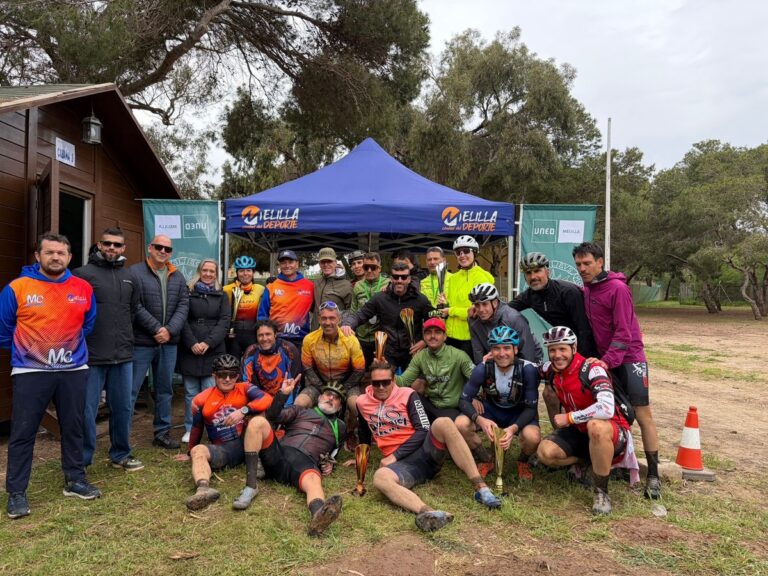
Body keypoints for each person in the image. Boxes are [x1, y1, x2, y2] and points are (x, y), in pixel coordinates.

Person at [1, 232, 100, 519]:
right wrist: (30, 352)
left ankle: (75, 480)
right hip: (31, 371)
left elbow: (88, 325)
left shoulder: (83, 288)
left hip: (73, 370)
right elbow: (4, 330)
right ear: (38, 256)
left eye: (61, 253)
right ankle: (17, 493)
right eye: (49, 252)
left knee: (74, 426)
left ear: (70, 257)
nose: (55, 257)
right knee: (23, 432)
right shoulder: (18, 288)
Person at [357, 360, 501, 532]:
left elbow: (423, 429)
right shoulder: (361, 402)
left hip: (426, 453)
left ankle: (482, 489)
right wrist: (360, 459)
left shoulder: (408, 394)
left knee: (444, 423)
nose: (381, 387)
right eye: (376, 383)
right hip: (404, 467)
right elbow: (364, 431)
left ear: (393, 380)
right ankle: (429, 513)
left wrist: (394, 455)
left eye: (385, 382)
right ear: (370, 383)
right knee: (380, 477)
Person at [572, 242, 662, 499]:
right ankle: (621, 465)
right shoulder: (588, 290)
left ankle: (654, 475)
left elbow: (623, 331)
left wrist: (607, 362)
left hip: (629, 359)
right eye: (578, 264)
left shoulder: (618, 289)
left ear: (600, 262)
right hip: (607, 360)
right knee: (618, 415)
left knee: (643, 414)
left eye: (587, 263)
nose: (582, 268)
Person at [231, 377, 345, 536]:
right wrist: (282, 395)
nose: (331, 398)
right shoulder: (300, 411)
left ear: (340, 406)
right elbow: (272, 416)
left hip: (305, 464)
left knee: (313, 481)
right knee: (257, 422)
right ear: (319, 397)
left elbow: (335, 452)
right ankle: (251, 486)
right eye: (327, 394)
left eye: (336, 397)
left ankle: (318, 516)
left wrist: (331, 464)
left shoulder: (340, 426)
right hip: (279, 454)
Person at [536, 326, 632, 515]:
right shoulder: (552, 369)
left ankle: (601, 491)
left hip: (611, 431)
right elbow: (528, 366)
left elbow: (606, 408)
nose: (557, 355)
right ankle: (586, 462)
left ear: (574, 348)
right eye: (552, 350)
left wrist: (570, 417)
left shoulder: (592, 369)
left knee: (595, 425)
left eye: (562, 349)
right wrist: (496, 356)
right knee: (545, 453)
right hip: (580, 431)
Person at [73, 227, 143, 472]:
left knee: (123, 408)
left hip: (123, 355)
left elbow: (132, 310)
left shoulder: (129, 277)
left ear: (124, 248)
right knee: (87, 410)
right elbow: (74, 313)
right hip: (91, 355)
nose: (112, 248)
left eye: (117, 244)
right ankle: (82, 460)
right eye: (107, 243)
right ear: (100, 245)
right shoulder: (82, 275)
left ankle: (121, 454)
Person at [178, 354, 274, 510]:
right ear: (214, 375)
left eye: (232, 375)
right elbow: (196, 428)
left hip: (249, 443)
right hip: (225, 450)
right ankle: (203, 490)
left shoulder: (245, 388)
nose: (227, 379)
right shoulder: (200, 399)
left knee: (260, 414)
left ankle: (259, 462)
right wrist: (190, 452)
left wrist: (243, 410)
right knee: (198, 450)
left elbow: (267, 399)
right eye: (222, 375)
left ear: (237, 376)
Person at [456, 327, 541, 479]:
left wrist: (513, 429)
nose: (502, 353)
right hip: (492, 410)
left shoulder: (527, 369)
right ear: (491, 350)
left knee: (532, 437)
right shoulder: (483, 368)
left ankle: (523, 461)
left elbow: (531, 408)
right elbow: (463, 400)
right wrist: (480, 420)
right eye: (496, 348)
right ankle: (486, 458)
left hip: (518, 412)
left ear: (515, 349)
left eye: (507, 348)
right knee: (461, 423)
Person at [130, 235, 190, 449]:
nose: (163, 251)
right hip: (142, 342)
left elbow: (184, 306)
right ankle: (122, 436)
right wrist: (156, 328)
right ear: (150, 248)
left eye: (167, 248)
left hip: (169, 343)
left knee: (165, 389)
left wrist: (169, 330)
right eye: (159, 247)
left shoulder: (178, 276)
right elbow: (134, 305)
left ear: (171, 252)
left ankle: (162, 433)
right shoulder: (135, 273)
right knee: (132, 389)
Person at [342, 262, 432, 373]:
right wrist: (347, 324)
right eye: (395, 277)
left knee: (416, 385)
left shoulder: (420, 300)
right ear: (391, 278)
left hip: (413, 349)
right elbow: (361, 314)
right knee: (384, 382)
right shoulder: (380, 298)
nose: (399, 280)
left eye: (403, 277)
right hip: (388, 350)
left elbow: (433, 321)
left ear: (409, 279)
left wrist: (424, 341)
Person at [178, 259, 230, 444]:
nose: (208, 274)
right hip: (189, 347)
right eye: (205, 270)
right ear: (199, 271)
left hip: (212, 349)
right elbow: (182, 319)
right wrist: (192, 342)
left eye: (212, 271)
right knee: (191, 393)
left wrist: (207, 343)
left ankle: (210, 429)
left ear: (217, 274)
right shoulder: (188, 292)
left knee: (211, 391)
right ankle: (190, 428)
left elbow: (224, 322)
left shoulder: (222, 295)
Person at [511, 252, 597, 357]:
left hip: (593, 347)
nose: (533, 276)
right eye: (528, 273)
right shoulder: (529, 296)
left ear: (548, 272)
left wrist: (581, 358)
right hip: (567, 347)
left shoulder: (568, 292)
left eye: (537, 271)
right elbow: (504, 310)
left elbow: (584, 329)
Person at [396, 317, 474, 422]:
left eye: (437, 332)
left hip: (453, 406)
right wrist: (386, 370)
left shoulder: (459, 356)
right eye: (428, 333)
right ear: (424, 337)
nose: (432, 336)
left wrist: (475, 398)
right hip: (431, 405)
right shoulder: (420, 357)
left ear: (445, 336)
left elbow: (475, 379)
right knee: (410, 394)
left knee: (454, 425)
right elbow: (402, 382)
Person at [438, 235, 495, 357]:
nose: (462, 255)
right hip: (450, 337)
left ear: (475, 252)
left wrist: (450, 311)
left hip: (470, 338)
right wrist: (444, 304)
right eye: (458, 252)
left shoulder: (483, 277)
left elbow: (476, 311)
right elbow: (452, 306)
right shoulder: (453, 278)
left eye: (466, 251)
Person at [468, 283, 542, 364]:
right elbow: (478, 351)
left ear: (495, 303)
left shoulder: (513, 318)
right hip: (500, 359)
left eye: (485, 304)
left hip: (529, 358)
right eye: (477, 305)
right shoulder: (473, 320)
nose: (481, 309)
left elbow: (527, 351)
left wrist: (524, 371)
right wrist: (482, 370)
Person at [257, 249, 314, 348]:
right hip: (276, 340)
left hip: (301, 340)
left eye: (290, 262)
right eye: (283, 263)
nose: (287, 265)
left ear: (297, 264)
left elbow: (317, 311)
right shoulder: (271, 287)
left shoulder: (310, 286)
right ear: (279, 265)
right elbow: (262, 316)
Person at [241, 320, 302, 405]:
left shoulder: (289, 350)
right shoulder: (251, 352)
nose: (264, 339)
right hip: (261, 399)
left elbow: (294, 382)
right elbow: (245, 384)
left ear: (275, 334)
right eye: (260, 335)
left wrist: (285, 407)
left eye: (268, 334)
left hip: (285, 399)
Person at [348, 251, 390, 366]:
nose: (369, 271)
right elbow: (353, 310)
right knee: (362, 371)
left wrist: (390, 288)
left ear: (379, 268)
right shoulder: (358, 286)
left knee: (380, 369)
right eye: (366, 267)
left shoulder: (389, 283)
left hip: (382, 338)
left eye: (373, 267)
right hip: (362, 338)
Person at [223, 255, 264, 358]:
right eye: (241, 271)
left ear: (253, 272)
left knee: (251, 365)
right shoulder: (227, 289)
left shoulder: (260, 289)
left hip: (252, 334)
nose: (245, 274)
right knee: (232, 366)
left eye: (248, 270)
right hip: (233, 335)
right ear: (237, 273)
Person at [313, 247, 352, 326]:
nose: (326, 265)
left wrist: (343, 325)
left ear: (335, 262)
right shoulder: (316, 283)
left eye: (329, 261)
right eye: (323, 262)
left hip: (335, 332)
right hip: (316, 331)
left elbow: (351, 310)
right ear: (319, 264)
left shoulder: (346, 285)